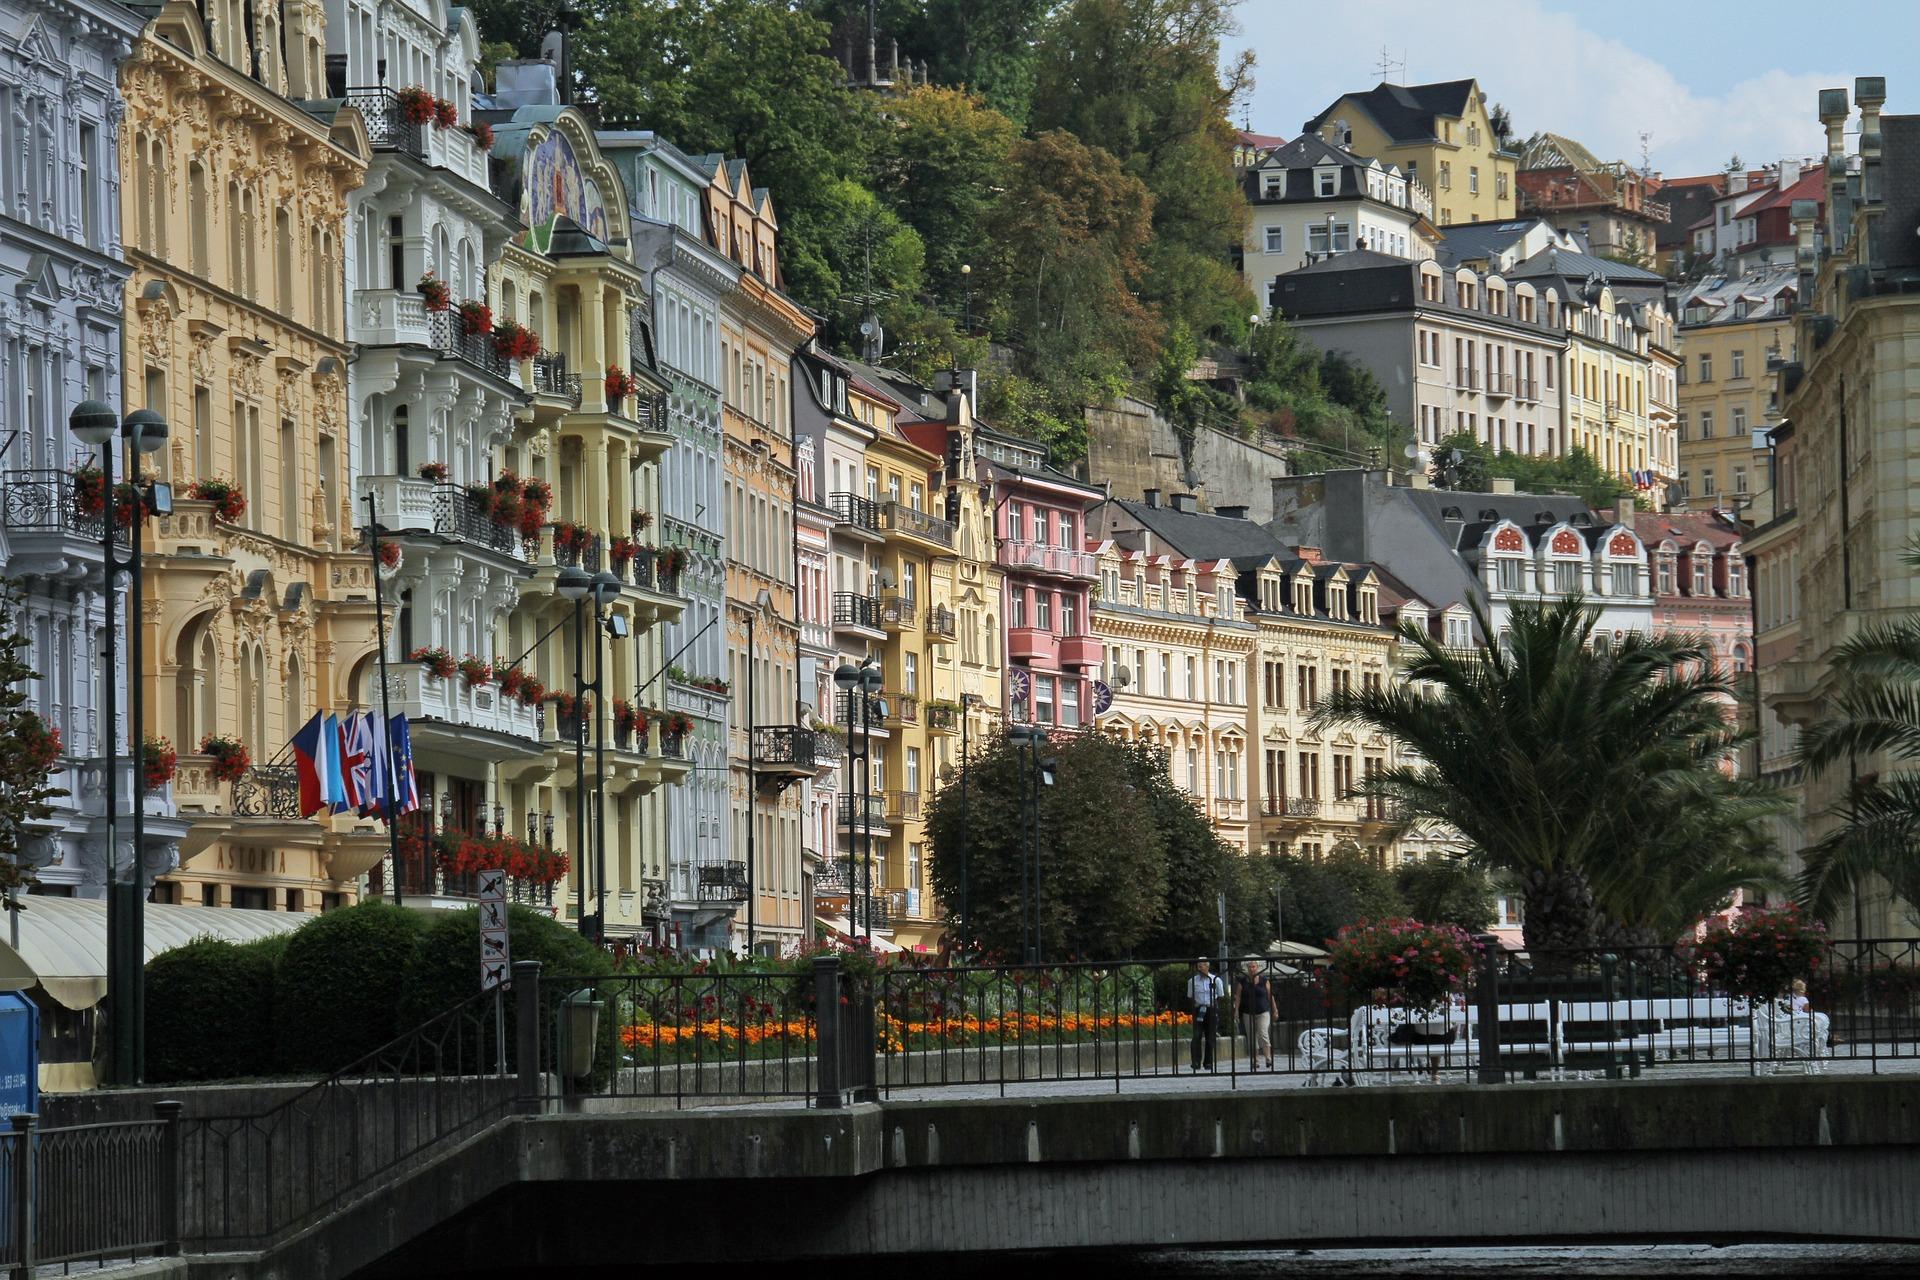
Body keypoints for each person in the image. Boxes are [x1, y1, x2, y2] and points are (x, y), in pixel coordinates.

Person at [1186, 957, 1224, 1071]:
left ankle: (1208, 1062)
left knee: (1210, 1037)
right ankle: (1196, 1061)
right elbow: (1190, 996)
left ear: (1207, 966)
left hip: (1211, 1008)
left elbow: (1220, 995)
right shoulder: (1192, 981)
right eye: (1198, 966)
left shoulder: (1215, 980)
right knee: (1196, 1036)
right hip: (1199, 1009)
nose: (1199, 968)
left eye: (1201, 965)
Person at [1237, 959, 1274, 1069]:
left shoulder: (1264, 980)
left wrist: (1275, 1009)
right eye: (1249, 967)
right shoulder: (1242, 981)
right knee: (1252, 1037)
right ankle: (1255, 1061)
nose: (1252, 969)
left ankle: (1268, 1058)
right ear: (1247, 969)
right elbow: (1238, 997)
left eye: (1253, 967)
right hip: (1248, 1012)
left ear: (1257, 968)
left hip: (1263, 1011)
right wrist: (1236, 1011)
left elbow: (1270, 995)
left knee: (1263, 1033)